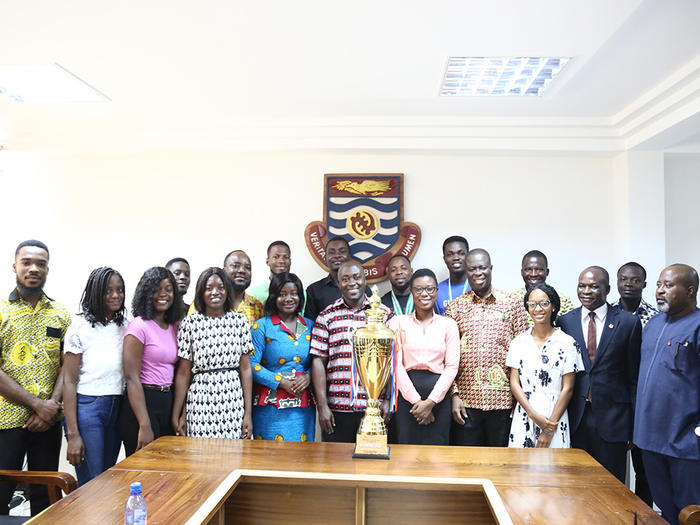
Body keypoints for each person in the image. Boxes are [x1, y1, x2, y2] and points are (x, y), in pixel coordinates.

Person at [0, 240, 71, 516]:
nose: (33, 268)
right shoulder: (2, 312)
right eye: (27, 262)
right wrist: (36, 404)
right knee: (2, 494)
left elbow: (68, 367)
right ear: (14, 267)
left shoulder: (60, 314)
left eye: (40, 264)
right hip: (6, 421)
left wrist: (49, 406)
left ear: (48, 269)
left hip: (48, 423)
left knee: (44, 498)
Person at [557, 266, 641, 482]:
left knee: (612, 486)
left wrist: (634, 426)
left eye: (594, 286)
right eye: (582, 286)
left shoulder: (628, 323)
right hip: (576, 417)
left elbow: (633, 378)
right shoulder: (566, 322)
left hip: (614, 420)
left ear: (608, 289)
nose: (586, 291)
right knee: (576, 484)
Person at [634, 264, 700, 525]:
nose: (660, 291)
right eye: (659, 284)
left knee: (691, 512)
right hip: (650, 439)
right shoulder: (653, 324)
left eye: (669, 285)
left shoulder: (697, 325)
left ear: (690, 290)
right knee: (666, 511)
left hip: (684, 442)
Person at [445, 248, 529, 447]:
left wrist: (520, 398)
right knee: (467, 465)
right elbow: (448, 357)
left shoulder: (513, 304)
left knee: (500, 464)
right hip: (466, 402)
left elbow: (524, 354)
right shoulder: (455, 308)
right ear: (466, 271)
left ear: (491, 268)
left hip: (504, 401)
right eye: (472, 269)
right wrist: (454, 395)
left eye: (482, 267)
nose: (478, 273)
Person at [310, 260, 393, 442]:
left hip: (375, 407)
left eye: (356, 277)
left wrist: (387, 399)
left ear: (365, 280)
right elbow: (318, 361)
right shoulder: (326, 316)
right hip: (338, 409)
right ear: (339, 283)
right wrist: (322, 406)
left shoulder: (385, 315)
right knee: (337, 466)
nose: (352, 283)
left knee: (374, 466)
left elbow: (391, 361)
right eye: (345, 279)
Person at [63, 267, 128, 486]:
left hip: (117, 406)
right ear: (95, 293)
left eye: (119, 290)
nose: (115, 295)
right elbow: (69, 382)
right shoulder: (79, 328)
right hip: (88, 408)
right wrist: (73, 435)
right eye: (108, 290)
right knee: (93, 483)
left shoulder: (125, 327)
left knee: (107, 480)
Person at [172, 267, 253, 439]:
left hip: (233, 400)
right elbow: (185, 372)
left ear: (227, 291)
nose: (215, 292)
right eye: (209, 288)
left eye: (221, 287)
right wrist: (179, 413)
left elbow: (245, 369)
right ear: (201, 292)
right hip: (200, 403)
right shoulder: (190, 324)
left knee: (234, 458)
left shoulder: (239, 322)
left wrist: (248, 413)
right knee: (201, 459)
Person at [387, 269, 459, 445]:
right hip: (407, 395)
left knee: (438, 454)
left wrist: (431, 402)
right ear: (411, 292)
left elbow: (451, 367)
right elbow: (395, 365)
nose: (424, 294)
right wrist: (418, 402)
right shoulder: (397, 322)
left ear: (436, 291)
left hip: (439, 395)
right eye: (418, 289)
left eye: (430, 289)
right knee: (407, 453)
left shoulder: (448, 324)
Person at [506, 284, 582, 449]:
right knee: (521, 470)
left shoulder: (568, 343)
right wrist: (533, 415)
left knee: (553, 469)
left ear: (553, 306)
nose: (537, 309)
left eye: (544, 303)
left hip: (554, 416)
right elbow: (514, 383)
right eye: (532, 304)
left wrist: (549, 428)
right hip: (524, 414)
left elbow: (567, 388)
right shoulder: (518, 342)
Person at [118, 267, 180, 456]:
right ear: (146, 292)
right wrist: (144, 424)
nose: (163, 295)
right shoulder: (138, 326)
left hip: (167, 401)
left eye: (168, 289)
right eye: (156, 289)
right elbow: (131, 378)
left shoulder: (174, 326)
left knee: (167, 470)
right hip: (143, 402)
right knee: (144, 469)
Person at [612, 261, 657, 507]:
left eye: (635, 280)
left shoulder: (656, 317)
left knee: (644, 469)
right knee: (613, 468)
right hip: (615, 403)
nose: (629, 284)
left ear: (644, 284)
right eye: (624, 279)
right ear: (616, 283)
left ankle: (643, 515)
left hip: (644, 401)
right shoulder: (607, 313)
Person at [250, 273, 314, 441]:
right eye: (282, 294)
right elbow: (251, 364)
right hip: (270, 407)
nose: (288, 298)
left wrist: (309, 376)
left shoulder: (310, 326)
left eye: (293, 293)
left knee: (302, 458)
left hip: (303, 406)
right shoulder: (261, 326)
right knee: (271, 458)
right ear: (273, 297)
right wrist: (280, 381)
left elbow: (319, 360)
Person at [187, 250, 263, 326]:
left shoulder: (258, 306)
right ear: (224, 271)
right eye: (236, 266)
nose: (242, 270)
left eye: (248, 268)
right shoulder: (202, 304)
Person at [512, 250, 575, 327]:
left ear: (547, 272)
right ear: (522, 272)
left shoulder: (564, 301)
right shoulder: (512, 301)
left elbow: (571, 331)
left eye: (539, 269)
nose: (533, 274)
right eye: (528, 269)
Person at [304, 237, 351, 323]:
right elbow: (310, 325)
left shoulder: (362, 289)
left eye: (342, 251)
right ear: (325, 258)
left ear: (350, 257)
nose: (337, 255)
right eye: (332, 252)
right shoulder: (313, 290)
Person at [436, 236, 470, 315]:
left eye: (461, 253)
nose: (456, 258)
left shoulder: (478, 289)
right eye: (450, 254)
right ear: (444, 259)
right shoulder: (436, 291)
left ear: (468, 256)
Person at [249, 241, 292, 305]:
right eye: (276, 257)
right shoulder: (254, 295)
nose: (281, 261)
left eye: (286, 257)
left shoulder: (300, 293)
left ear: (290, 261)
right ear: (267, 261)